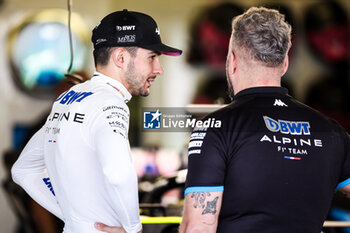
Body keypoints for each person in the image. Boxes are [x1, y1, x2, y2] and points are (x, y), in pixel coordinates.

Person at [178, 6, 350, 233]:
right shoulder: (331, 132)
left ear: (232, 61)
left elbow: (197, 228)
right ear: (285, 64)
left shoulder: (213, 128)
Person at [11, 9, 181, 233]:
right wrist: (133, 228)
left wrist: (72, 215)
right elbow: (118, 173)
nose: (159, 69)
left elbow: (23, 170)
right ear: (120, 58)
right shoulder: (110, 103)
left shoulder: (69, 98)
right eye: (152, 57)